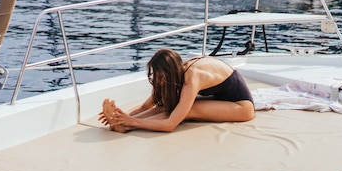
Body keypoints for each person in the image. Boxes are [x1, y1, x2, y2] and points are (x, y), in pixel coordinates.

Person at [99, 48, 255, 133]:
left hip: (241, 107)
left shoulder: (192, 78)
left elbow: (170, 124)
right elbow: (146, 106)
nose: (158, 81)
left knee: (186, 110)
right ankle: (123, 124)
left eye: (160, 76)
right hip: (220, 100)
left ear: (169, 72)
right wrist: (120, 116)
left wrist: (131, 122)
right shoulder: (176, 72)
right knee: (167, 105)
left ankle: (127, 127)